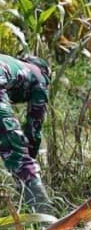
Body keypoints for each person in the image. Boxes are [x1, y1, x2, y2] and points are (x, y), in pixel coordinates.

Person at [0, 54, 51, 212]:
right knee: (18, 156)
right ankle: (46, 220)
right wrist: (29, 155)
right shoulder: (39, 76)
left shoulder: (12, 64)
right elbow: (34, 128)